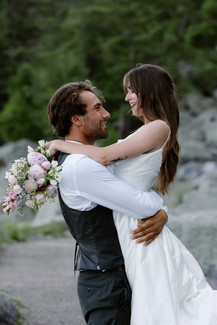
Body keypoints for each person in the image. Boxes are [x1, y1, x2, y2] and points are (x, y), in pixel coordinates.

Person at [48, 64, 217, 325]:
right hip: (131, 228)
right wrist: (162, 211)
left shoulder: (158, 127)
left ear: (148, 91)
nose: (126, 98)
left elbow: (104, 157)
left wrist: (60, 143)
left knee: (159, 310)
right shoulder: (144, 131)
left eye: (131, 90)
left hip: (137, 228)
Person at [47, 80, 168, 325]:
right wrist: (161, 210)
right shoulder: (80, 166)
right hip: (107, 286)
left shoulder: (85, 160)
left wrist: (161, 211)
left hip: (114, 280)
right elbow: (141, 205)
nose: (106, 114)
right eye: (97, 108)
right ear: (76, 119)